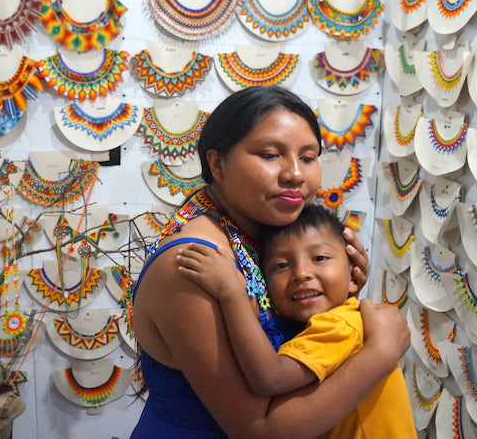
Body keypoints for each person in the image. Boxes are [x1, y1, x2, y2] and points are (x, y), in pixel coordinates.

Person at [130, 86, 410, 439]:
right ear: (217, 164)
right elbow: (257, 430)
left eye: (308, 157)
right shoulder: (194, 265)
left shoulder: (260, 234)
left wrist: (335, 295)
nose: (295, 173)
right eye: (270, 155)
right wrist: (381, 353)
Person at [175, 203, 417, 438]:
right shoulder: (338, 320)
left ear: (355, 275)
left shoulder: (337, 326)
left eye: (320, 258)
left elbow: (270, 378)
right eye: (281, 265)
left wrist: (232, 295)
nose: (301, 273)